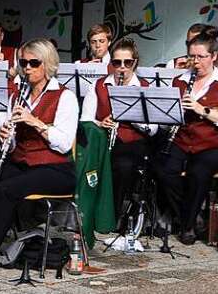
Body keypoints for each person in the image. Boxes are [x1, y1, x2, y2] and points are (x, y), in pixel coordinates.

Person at [0, 38, 78, 275]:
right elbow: (11, 147)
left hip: (56, 168)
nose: (28, 67)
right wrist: (5, 137)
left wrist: (36, 122)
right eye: (24, 63)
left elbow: (63, 144)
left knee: (6, 189)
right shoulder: (17, 96)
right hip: (23, 163)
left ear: (48, 64)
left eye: (34, 62)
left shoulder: (64, 97)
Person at [153, 33, 218, 245]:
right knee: (162, 170)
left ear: (214, 56)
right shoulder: (179, 81)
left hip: (210, 143)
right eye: (192, 57)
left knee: (198, 173)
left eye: (201, 57)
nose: (195, 62)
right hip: (181, 139)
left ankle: (187, 226)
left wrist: (201, 109)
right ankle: (190, 218)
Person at [80, 39, 156, 220]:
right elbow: (86, 119)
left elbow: (152, 129)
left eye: (127, 62)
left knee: (123, 166)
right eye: (116, 63)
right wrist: (101, 123)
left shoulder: (145, 87)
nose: (122, 67)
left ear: (135, 62)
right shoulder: (99, 85)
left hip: (133, 142)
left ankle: (111, 215)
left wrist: (131, 118)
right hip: (102, 139)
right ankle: (85, 211)